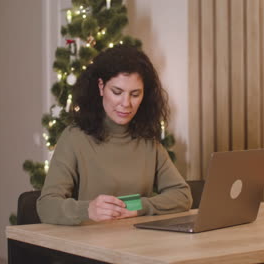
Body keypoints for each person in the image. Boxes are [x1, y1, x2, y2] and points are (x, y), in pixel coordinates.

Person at [37, 45, 192, 225]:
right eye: (117, 92)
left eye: (135, 94)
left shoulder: (147, 139)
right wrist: (87, 210)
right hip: (89, 246)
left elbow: (182, 195)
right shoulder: (74, 138)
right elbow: (46, 205)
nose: (126, 103)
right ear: (101, 87)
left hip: (139, 246)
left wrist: (139, 206)